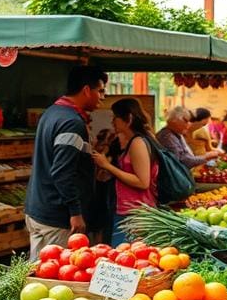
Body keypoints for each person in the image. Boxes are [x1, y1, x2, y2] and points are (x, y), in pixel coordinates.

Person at [25, 66, 108, 258]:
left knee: (38, 274)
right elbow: (62, 172)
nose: (102, 97)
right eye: (100, 91)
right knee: (51, 277)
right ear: (87, 90)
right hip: (57, 217)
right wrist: (75, 212)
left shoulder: (51, 112)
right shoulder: (71, 122)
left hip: (39, 209)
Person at [91, 98, 160, 246]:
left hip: (135, 214)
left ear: (128, 119)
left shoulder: (138, 143)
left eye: (115, 117)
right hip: (129, 211)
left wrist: (108, 166)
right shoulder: (135, 141)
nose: (113, 122)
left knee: (126, 259)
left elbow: (142, 182)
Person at [157, 106, 223, 168]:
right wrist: (206, 157)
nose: (189, 124)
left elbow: (186, 156)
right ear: (174, 120)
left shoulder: (177, 134)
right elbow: (182, 161)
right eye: (186, 121)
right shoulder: (167, 137)